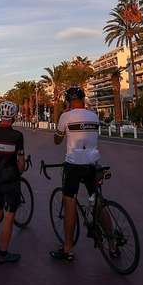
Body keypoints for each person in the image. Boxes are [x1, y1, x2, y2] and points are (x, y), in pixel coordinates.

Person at [50, 86, 100, 262]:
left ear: (68, 101)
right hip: (93, 164)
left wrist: (61, 125)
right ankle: (113, 241)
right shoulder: (94, 116)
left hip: (74, 164)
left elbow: (57, 140)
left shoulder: (66, 116)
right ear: (83, 99)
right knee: (98, 200)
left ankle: (68, 248)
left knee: (69, 201)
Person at [0, 100, 26, 264]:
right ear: (13, 117)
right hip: (11, 178)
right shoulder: (17, 136)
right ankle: (4, 253)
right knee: (9, 216)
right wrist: (20, 170)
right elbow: (21, 163)